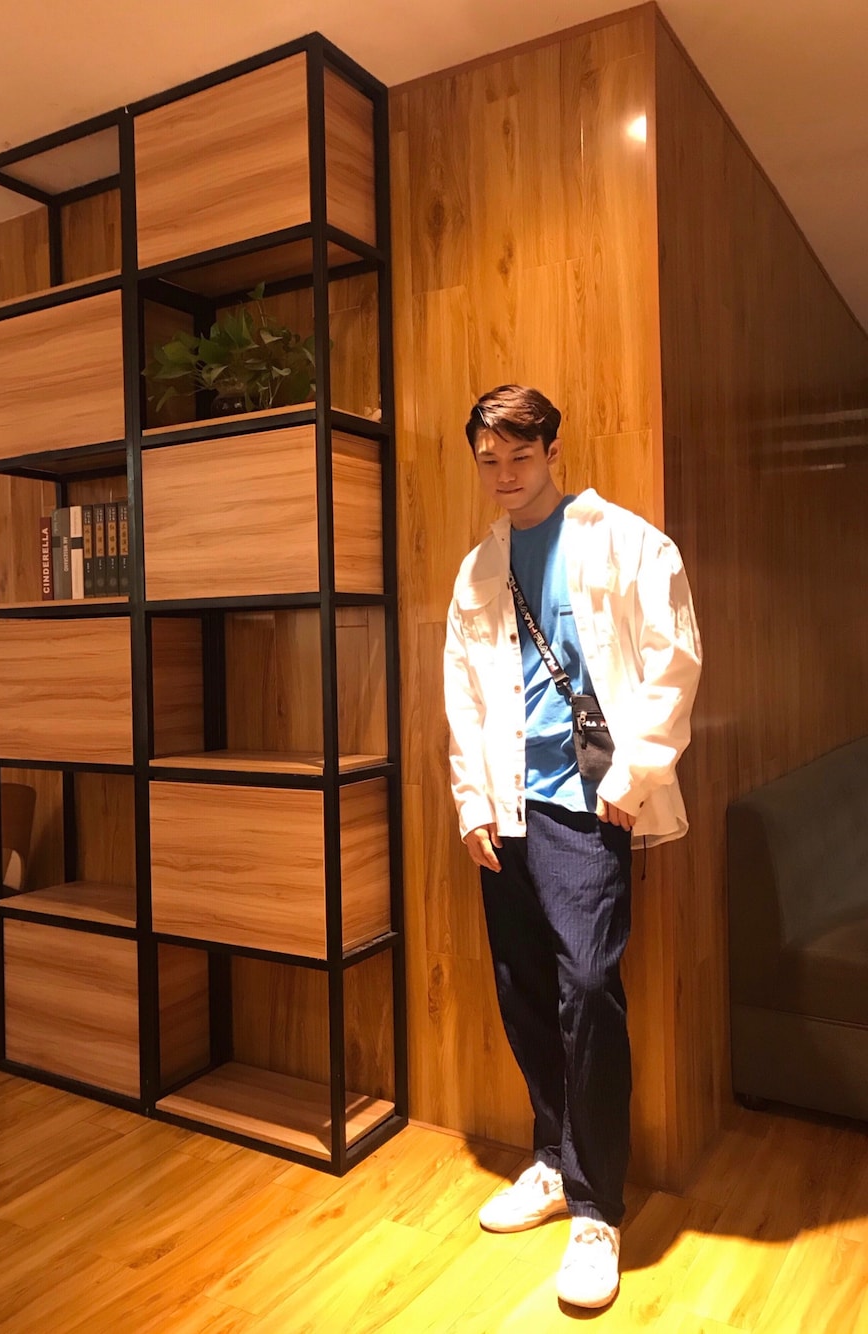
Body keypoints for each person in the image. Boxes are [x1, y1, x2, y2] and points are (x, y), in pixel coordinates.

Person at [443, 384, 702, 1310]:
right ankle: (553, 1158)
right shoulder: (479, 569)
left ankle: (597, 1209)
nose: (505, 474)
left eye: (520, 456)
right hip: (505, 808)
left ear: (552, 450)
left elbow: (675, 660)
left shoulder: (627, 543)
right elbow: (464, 694)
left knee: (587, 989)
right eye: (489, 460)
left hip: (589, 807)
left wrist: (631, 780)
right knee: (521, 986)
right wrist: (471, 799)